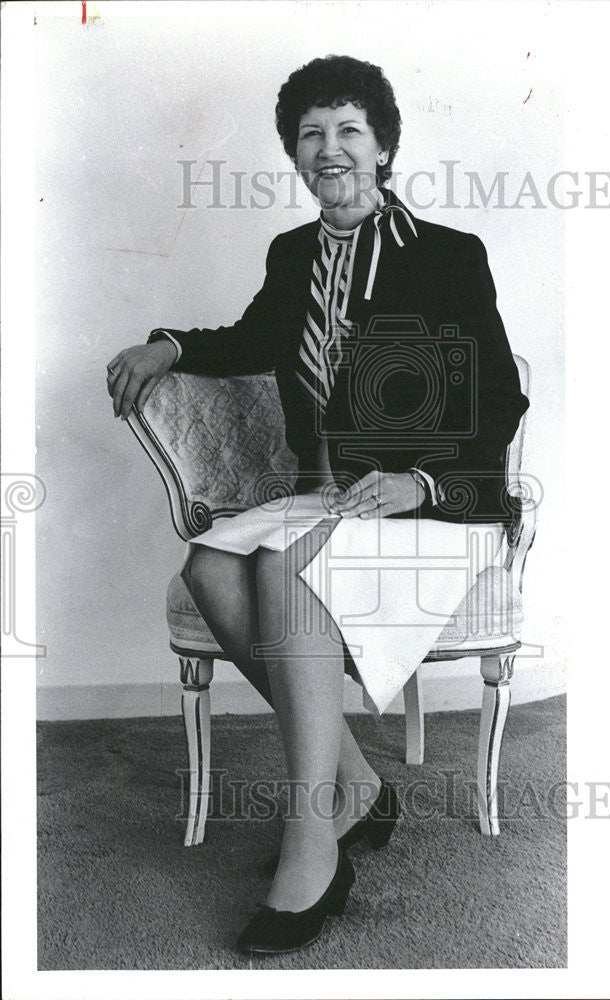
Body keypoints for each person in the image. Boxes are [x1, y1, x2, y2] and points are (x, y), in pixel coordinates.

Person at [106, 55, 529, 955]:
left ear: (382, 148)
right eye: (310, 134)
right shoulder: (293, 253)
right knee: (213, 563)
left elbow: (499, 402)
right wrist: (171, 346)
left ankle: (313, 840)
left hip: (429, 505)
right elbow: (258, 337)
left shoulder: (449, 257)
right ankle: (361, 785)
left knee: (283, 571)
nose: (328, 149)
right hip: (330, 498)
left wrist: (423, 483)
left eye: (347, 130)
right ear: (295, 154)